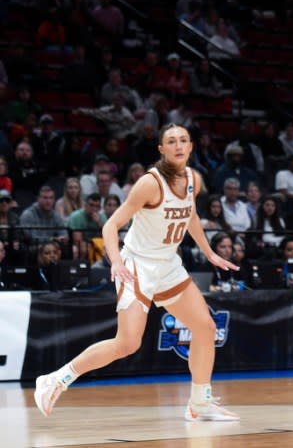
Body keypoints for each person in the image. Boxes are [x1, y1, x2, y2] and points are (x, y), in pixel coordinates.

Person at [33, 123, 241, 421]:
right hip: (138, 264)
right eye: (171, 141)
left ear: (192, 146)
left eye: (183, 140)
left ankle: (199, 403)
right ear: (161, 149)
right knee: (128, 343)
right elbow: (110, 226)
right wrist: (116, 262)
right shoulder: (150, 183)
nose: (178, 145)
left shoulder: (193, 178)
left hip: (168, 264)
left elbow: (190, 214)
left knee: (206, 327)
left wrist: (209, 253)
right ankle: (56, 379)